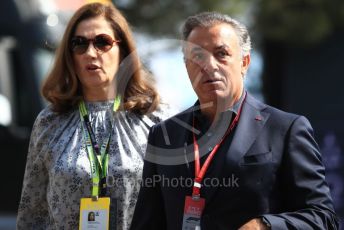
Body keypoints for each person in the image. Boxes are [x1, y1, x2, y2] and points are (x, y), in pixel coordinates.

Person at [130, 12, 339, 230]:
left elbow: (323, 218)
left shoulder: (286, 129)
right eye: (197, 56)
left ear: (244, 62)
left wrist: (264, 226)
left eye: (221, 53)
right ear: (186, 66)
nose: (209, 65)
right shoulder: (163, 135)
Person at [17, 2, 173, 230]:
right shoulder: (49, 121)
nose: (90, 53)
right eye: (79, 44)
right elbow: (32, 213)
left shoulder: (157, 119)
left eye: (102, 42)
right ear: (70, 55)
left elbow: (174, 208)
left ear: (123, 51)